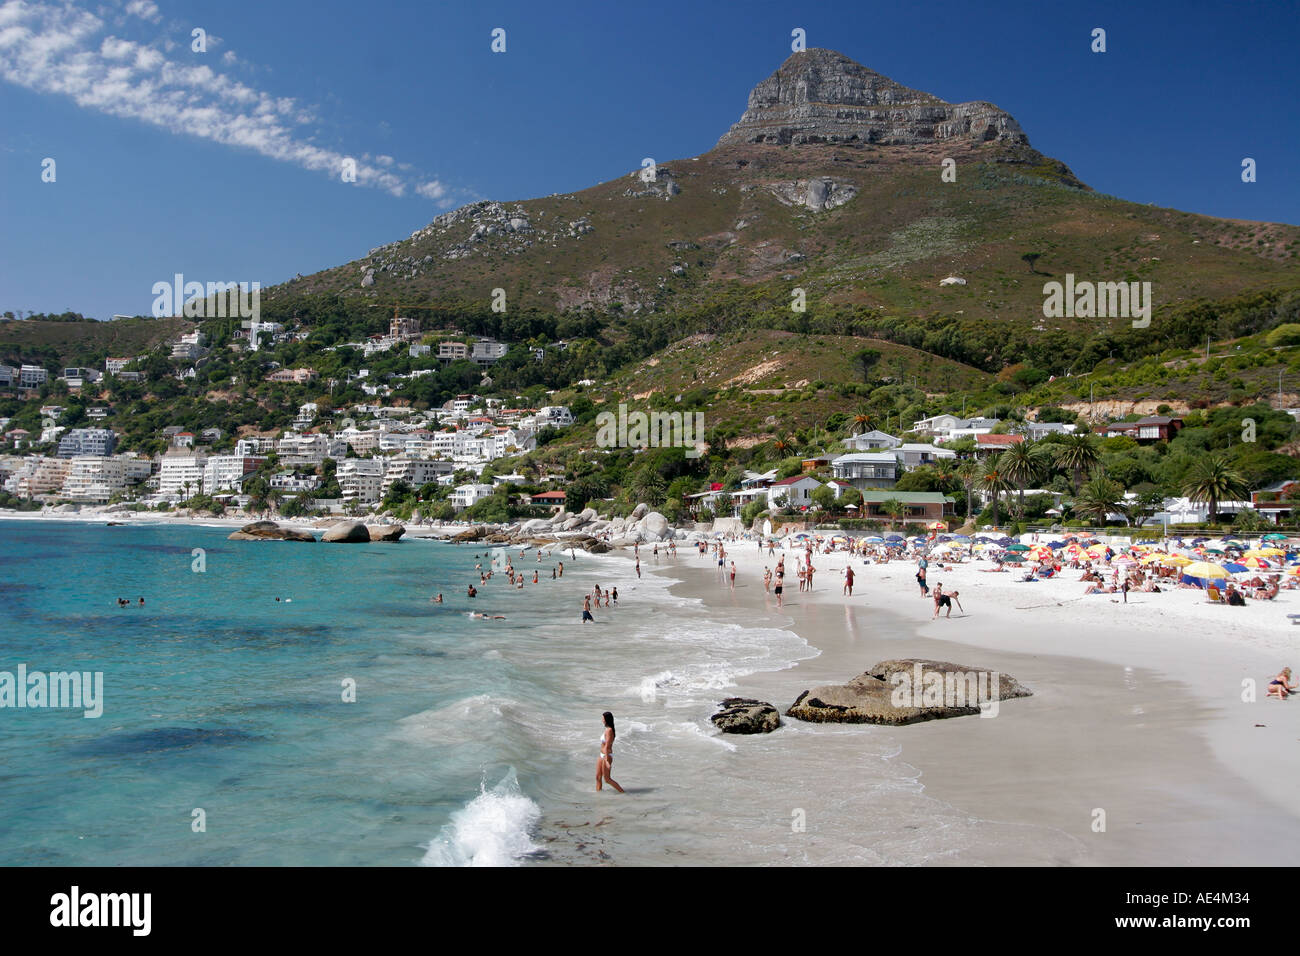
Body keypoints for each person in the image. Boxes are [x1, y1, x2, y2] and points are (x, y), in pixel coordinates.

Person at [596, 711, 625, 793]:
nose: (602, 720)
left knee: (607, 779)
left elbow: (607, 747)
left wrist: (607, 761)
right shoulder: (607, 729)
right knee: (598, 777)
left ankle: (623, 793)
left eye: (603, 718)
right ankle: (598, 795)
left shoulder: (609, 731)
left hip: (606, 755)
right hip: (602, 755)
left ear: (606, 719)